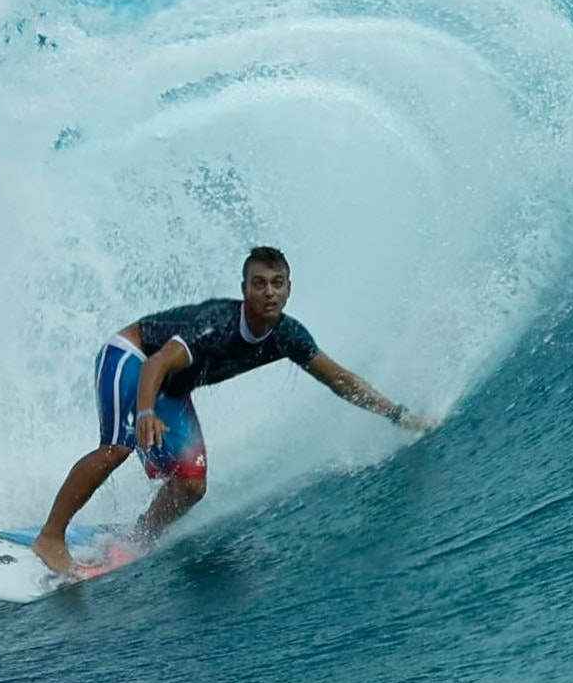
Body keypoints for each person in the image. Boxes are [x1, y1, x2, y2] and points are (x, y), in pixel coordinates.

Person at [31, 245, 429, 575]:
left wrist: (397, 414)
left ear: (289, 290)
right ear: (245, 289)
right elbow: (155, 364)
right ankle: (51, 536)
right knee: (117, 448)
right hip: (132, 356)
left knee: (191, 486)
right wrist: (146, 413)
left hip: (171, 387)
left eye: (278, 284)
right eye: (259, 284)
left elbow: (340, 380)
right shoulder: (216, 326)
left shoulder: (289, 335)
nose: (269, 292)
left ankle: (137, 539)